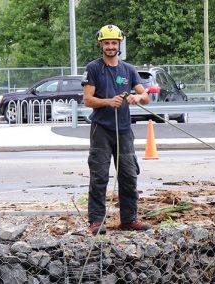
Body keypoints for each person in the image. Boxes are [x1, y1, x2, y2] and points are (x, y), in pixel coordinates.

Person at [81, 24, 151, 235]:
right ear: (101, 45)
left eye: (114, 43)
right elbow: (87, 100)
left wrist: (137, 97)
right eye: (106, 43)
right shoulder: (93, 68)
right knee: (99, 176)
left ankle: (129, 220)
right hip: (101, 129)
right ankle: (96, 222)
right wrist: (108, 102)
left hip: (124, 131)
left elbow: (145, 97)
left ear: (119, 44)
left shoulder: (128, 70)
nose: (110, 46)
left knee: (129, 176)